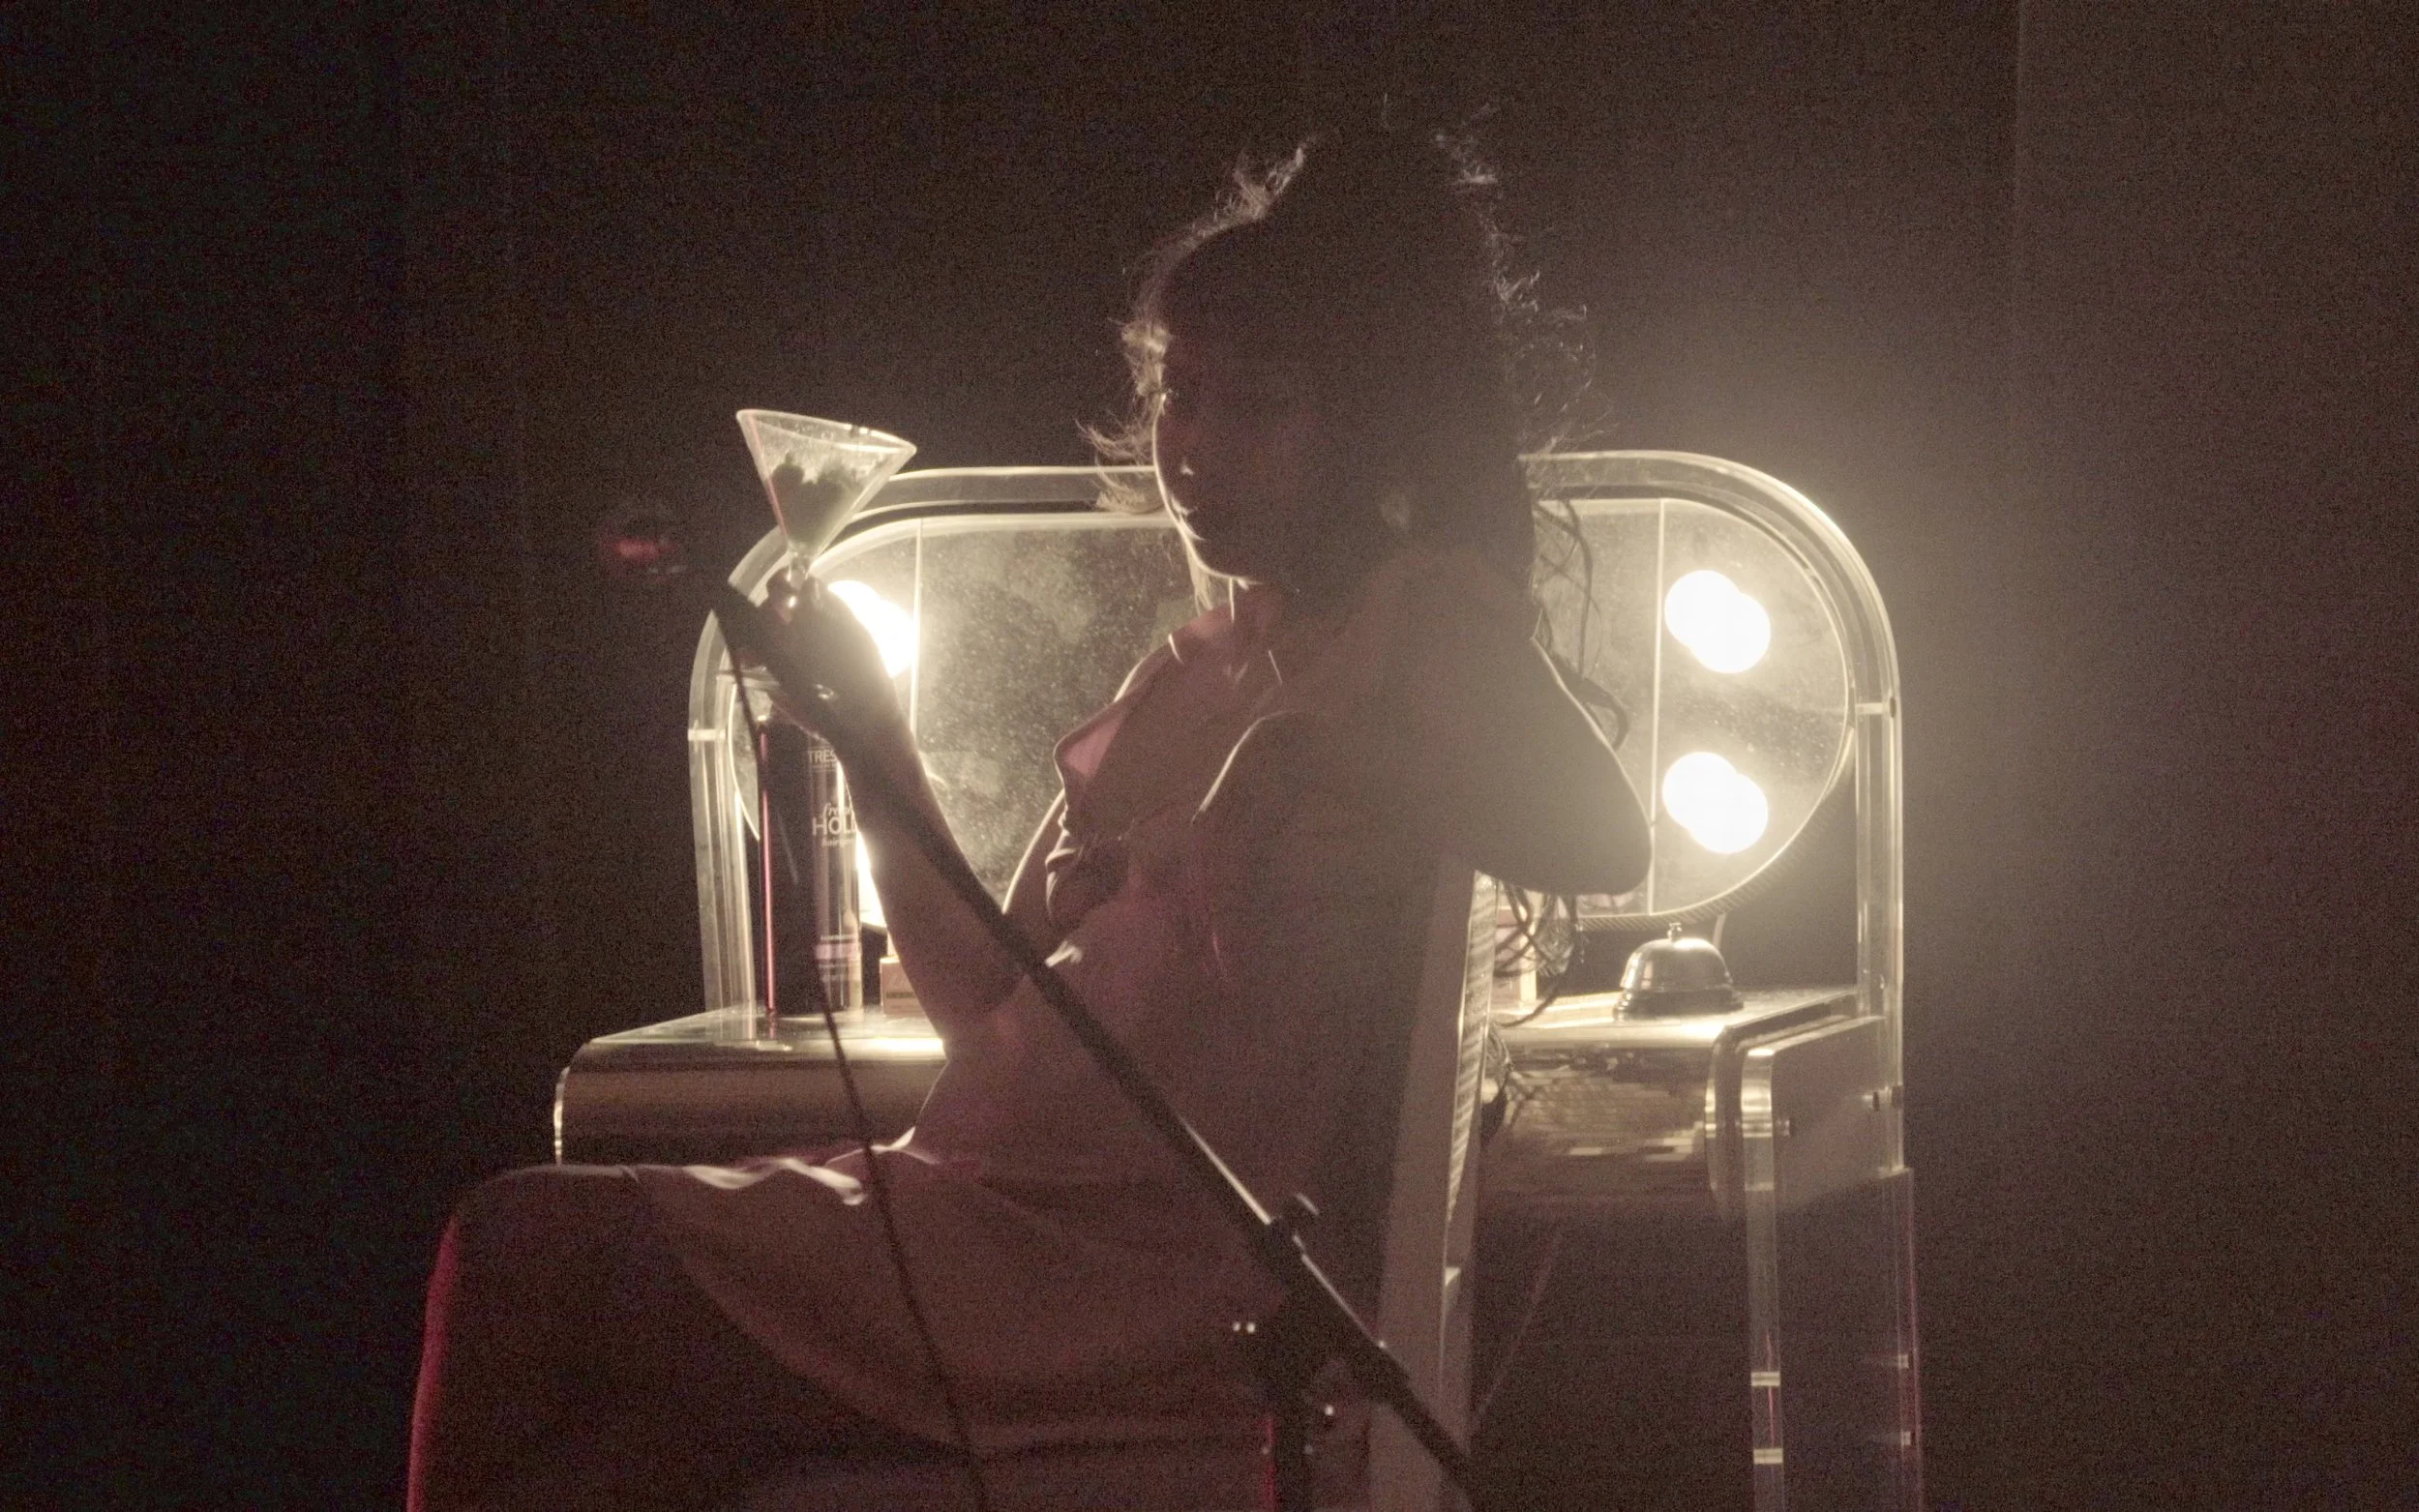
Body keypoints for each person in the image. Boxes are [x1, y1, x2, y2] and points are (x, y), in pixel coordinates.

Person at [407, 128, 1650, 1512]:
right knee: (601, 1462)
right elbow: (990, 1012)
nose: (1193, 446)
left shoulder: (1420, 618)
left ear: (1369, 429)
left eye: (1256, 407)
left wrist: (1312, 757)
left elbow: (1606, 837)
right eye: (1181, 393)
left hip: (1146, 1281)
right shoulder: (1187, 674)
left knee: (526, 1247)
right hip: (995, 1215)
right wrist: (873, 741)